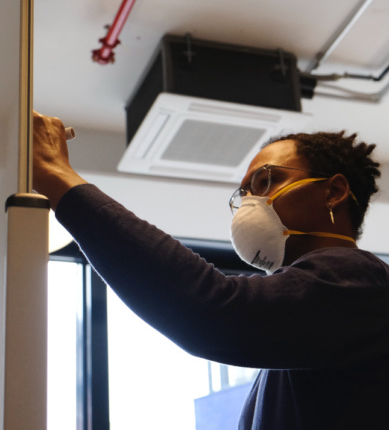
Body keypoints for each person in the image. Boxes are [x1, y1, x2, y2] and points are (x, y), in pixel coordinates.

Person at [33, 111, 389, 430]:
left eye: (266, 181)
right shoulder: (317, 315)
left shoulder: (356, 280)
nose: (250, 203)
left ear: (335, 192)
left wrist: (58, 177)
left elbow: (214, 310)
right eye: (244, 193)